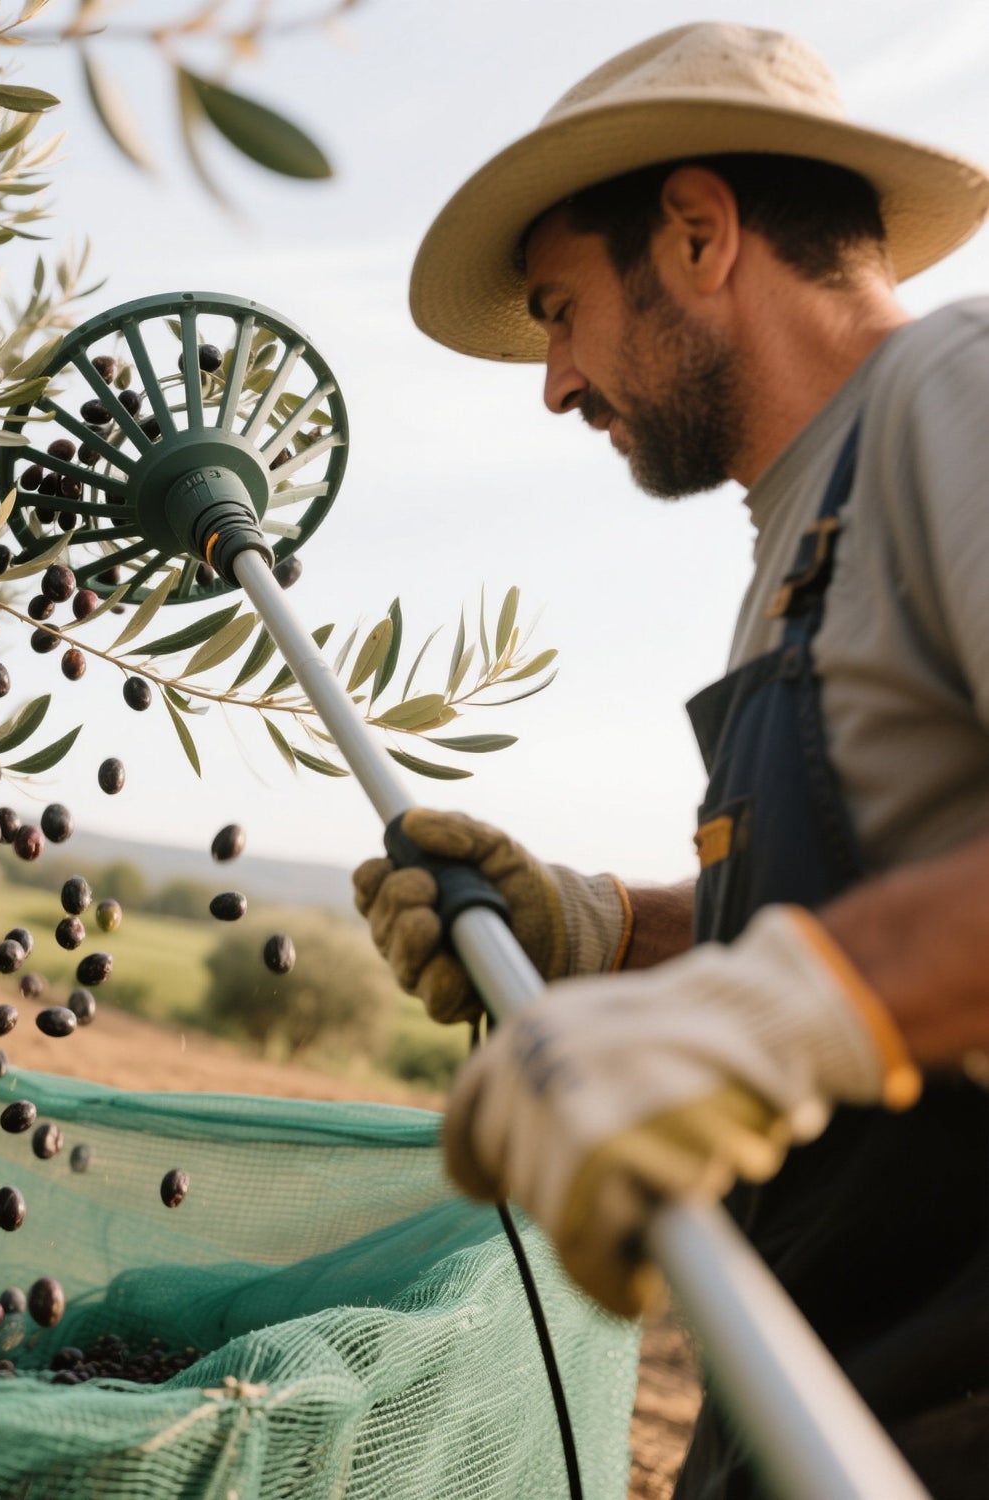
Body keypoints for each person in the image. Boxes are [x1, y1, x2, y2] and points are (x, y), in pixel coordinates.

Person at [354, 22, 989, 1498]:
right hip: (821, 1410)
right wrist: (606, 934)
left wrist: (776, 1015)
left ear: (699, 233)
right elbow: (870, 902)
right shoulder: (804, 534)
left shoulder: (954, 393)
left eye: (561, 310)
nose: (555, 383)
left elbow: (828, 987)